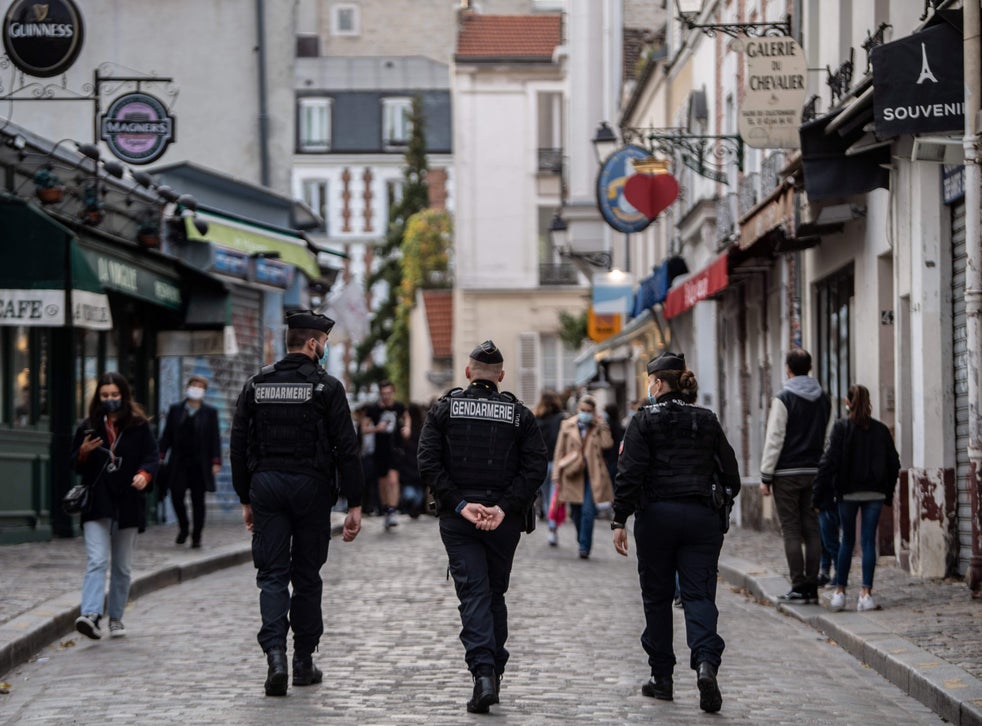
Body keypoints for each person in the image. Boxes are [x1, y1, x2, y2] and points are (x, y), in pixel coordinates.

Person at [230, 309, 364, 697]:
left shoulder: (257, 384)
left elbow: (239, 445)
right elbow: (346, 448)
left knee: (272, 575)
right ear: (312, 344)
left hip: (266, 486)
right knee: (306, 576)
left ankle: (275, 657)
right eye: (323, 343)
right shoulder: (327, 388)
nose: (325, 349)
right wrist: (355, 502)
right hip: (311, 488)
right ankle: (303, 660)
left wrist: (245, 497)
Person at [417, 340, 547, 714]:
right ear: (502, 377)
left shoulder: (444, 409)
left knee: (474, 594)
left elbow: (428, 462)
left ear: (468, 372)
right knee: (493, 595)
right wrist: (504, 508)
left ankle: (484, 674)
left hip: (460, 517)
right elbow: (536, 467)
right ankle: (493, 673)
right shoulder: (519, 415)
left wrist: (459, 503)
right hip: (501, 520)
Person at [611, 352, 740, 714]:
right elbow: (731, 474)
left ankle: (662, 678)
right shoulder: (707, 419)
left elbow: (629, 473)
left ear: (658, 383)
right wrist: (721, 500)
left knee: (656, 597)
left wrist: (619, 519)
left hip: (656, 517)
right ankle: (705, 665)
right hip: (701, 518)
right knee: (699, 595)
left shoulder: (643, 421)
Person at [72, 372, 159, 641]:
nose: (110, 399)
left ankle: (116, 617)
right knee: (97, 560)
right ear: (98, 397)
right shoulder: (89, 426)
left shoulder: (139, 426)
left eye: (114, 395)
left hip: (128, 501)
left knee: (121, 566)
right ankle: (91, 614)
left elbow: (153, 457)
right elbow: (73, 465)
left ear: (123, 395)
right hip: (98, 502)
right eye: (104, 395)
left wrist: (145, 475)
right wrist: (83, 451)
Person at [813, 384, 900, 612]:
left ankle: (840, 593)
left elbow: (828, 462)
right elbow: (894, 463)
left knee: (847, 541)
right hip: (874, 493)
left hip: (848, 493)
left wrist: (818, 495)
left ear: (847, 402)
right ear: (869, 402)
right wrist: (887, 491)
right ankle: (865, 594)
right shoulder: (880, 430)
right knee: (868, 541)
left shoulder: (841, 428)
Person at [759, 348, 833, 604]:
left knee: (791, 530)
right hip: (814, 471)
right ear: (809, 368)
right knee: (812, 529)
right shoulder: (824, 398)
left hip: (786, 473)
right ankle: (813, 585)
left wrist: (766, 475)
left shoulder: (784, 398)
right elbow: (827, 437)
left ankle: (799, 585)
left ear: (788, 368)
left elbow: (775, 438)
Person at [158, 374, 222, 548]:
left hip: (200, 463)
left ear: (204, 391)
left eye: (200, 386)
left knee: (197, 500)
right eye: (194, 385)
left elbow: (215, 438)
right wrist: (161, 454)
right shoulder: (176, 409)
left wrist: (216, 461)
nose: (196, 388)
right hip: (179, 461)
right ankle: (184, 527)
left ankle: (196, 535)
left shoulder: (210, 412)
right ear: (188, 387)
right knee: (176, 495)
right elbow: (167, 435)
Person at [552, 393, 614, 559]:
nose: (585, 413)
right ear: (578, 409)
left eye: (589, 410)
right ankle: (581, 539)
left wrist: (603, 426)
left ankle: (584, 547)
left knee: (588, 511)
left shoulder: (597, 426)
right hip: (573, 473)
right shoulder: (567, 425)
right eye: (583, 409)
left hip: (592, 475)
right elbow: (560, 451)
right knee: (576, 512)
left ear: (594, 412)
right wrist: (556, 474)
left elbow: (607, 444)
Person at [366, 380, 408, 530]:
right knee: (383, 483)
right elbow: (364, 428)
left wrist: (406, 428)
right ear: (380, 394)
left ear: (393, 393)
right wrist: (377, 428)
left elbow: (406, 416)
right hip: (380, 450)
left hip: (395, 449)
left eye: (389, 393)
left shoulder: (398, 406)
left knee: (393, 480)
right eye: (384, 394)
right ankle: (386, 509)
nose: (387, 397)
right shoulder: (373, 409)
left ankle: (392, 510)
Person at [533, 390, 565, 545]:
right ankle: (552, 529)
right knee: (554, 496)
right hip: (557, 462)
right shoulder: (561, 419)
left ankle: (550, 522)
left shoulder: (536, 418)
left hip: (541, 463)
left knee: (546, 496)